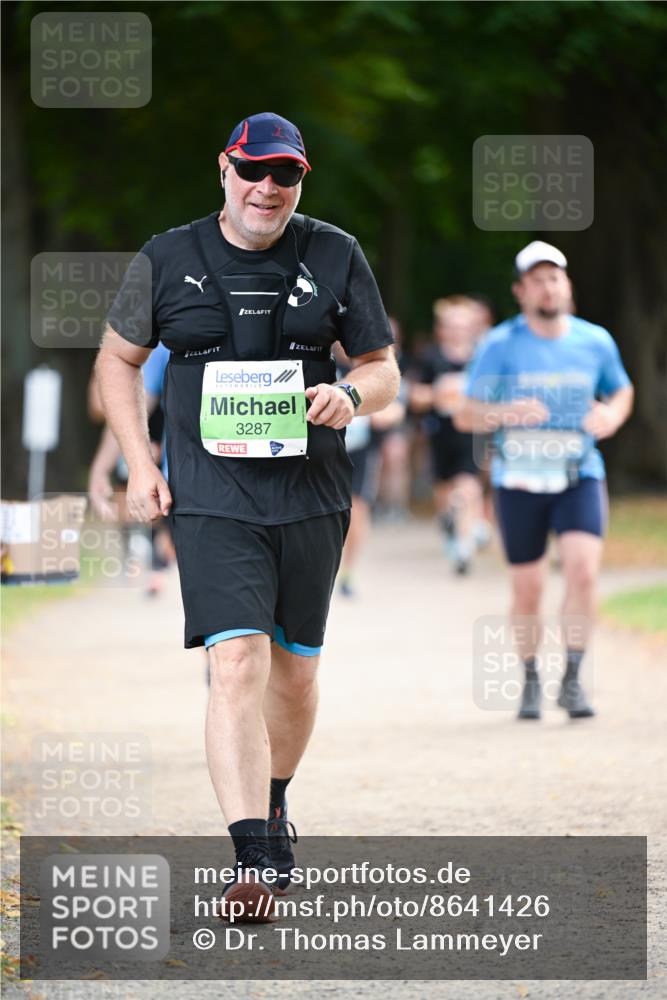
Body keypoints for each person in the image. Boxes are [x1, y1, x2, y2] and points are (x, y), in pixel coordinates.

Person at [95, 112, 399, 919]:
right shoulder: (166, 256)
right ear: (224, 169)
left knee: (294, 675)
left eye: (285, 174)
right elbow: (117, 361)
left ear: (300, 181)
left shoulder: (334, 253)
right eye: (254, 169)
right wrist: (139, 462)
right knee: (235, 661)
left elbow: (382, 367)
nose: (268, 186)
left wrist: (351, 393)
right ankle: (252, 858)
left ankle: (273, 798)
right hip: (209, 495)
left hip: (310, 493)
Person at [456, 241, 633, 720]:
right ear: (521, 291)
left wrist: (612, 416)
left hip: (579, 472)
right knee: (529, 587)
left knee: (583, 572)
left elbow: (621, 390)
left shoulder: (595, 341)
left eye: (555, 278)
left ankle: (572, 679)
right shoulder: (499, 344)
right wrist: (504, 412)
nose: (548, 288)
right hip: (519, 478)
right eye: (537, 280)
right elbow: (465, 413)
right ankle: (530, 678)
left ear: (567, 285)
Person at [410, 296, 488, 574]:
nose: (457, 331)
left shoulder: (481, 357)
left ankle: (464, 548)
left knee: (468, 487)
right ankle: (451, 526)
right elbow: (415, 396)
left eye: (462, 326)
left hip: (471, 434)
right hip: (440, 435)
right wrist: (438, 393)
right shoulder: (431, 358)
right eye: (451, 326)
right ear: (441, 329)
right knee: (445, 493)